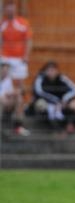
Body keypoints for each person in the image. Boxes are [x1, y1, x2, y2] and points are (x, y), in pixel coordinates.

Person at [0, 1, 32, 136]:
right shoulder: (2, 24)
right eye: (7, 6)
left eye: (12, 5)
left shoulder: (23, 23)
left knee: (18, 90)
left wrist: (26, 55)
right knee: (4, 84)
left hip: (18, 58)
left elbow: (28, 40)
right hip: (5, 57)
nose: (10, 8)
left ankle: (18, 122)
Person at [31, 61, 75, 133]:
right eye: (49, 70)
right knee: (41, 104)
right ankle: (48, 125)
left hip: (63, 103)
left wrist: (65, 99)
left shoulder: (62, 78)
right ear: (45, 71)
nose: (51, 72)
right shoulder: (40, 79)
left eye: (53, 70)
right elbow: (39, 92)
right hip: (48, 102)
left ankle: (70, 123)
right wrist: (56, 101)